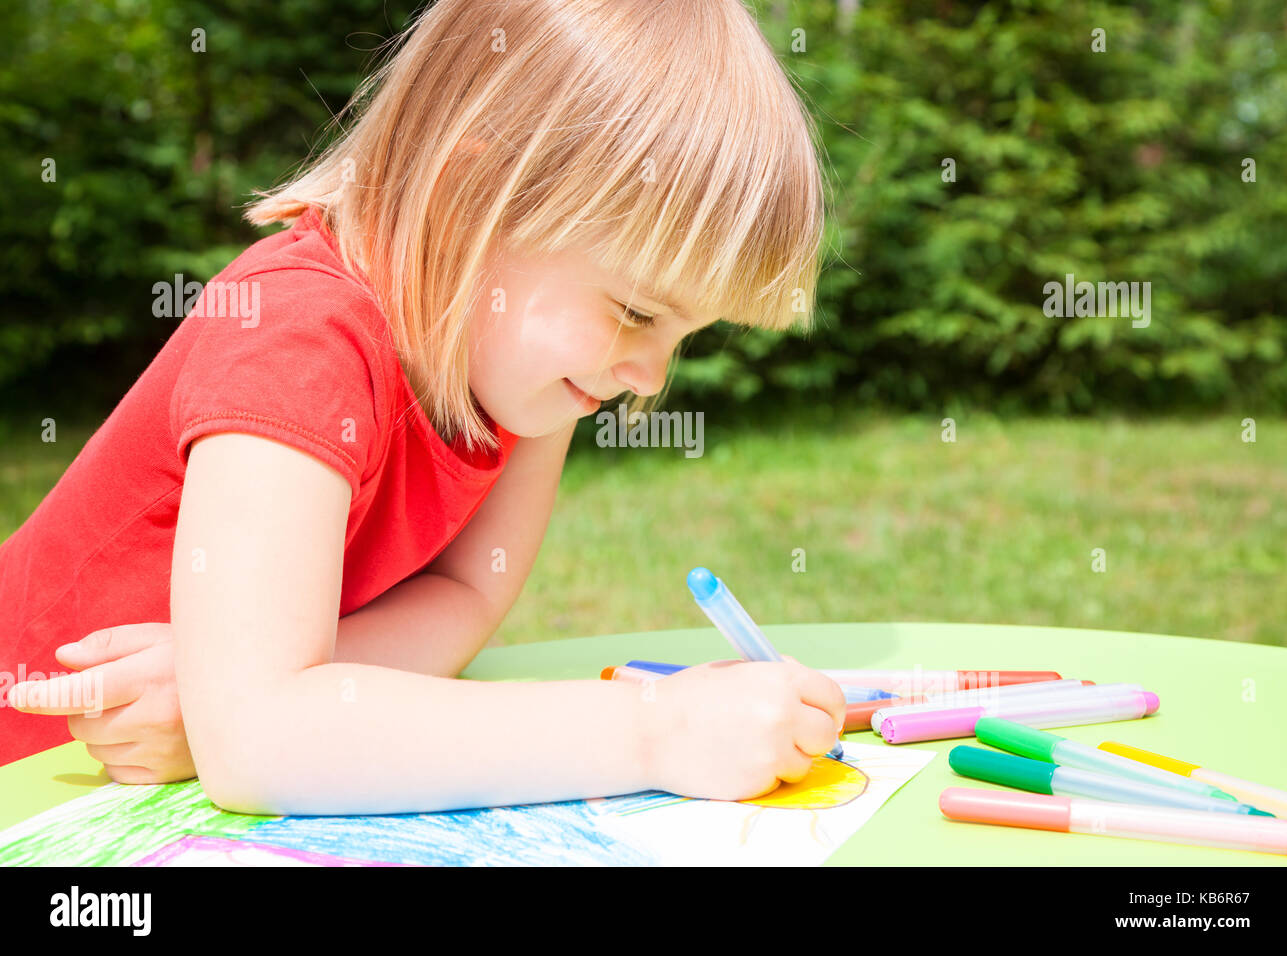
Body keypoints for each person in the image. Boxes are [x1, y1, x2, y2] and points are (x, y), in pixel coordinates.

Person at [0, 0, 843, 814]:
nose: (653, 376)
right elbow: (258, 747)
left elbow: (468, 594)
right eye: (634, 312)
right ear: (468, 194)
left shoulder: (521, 380)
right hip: (31, 783)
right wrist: (659, 731)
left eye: (684, 333)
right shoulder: (296, 335)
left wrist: (229, 696)